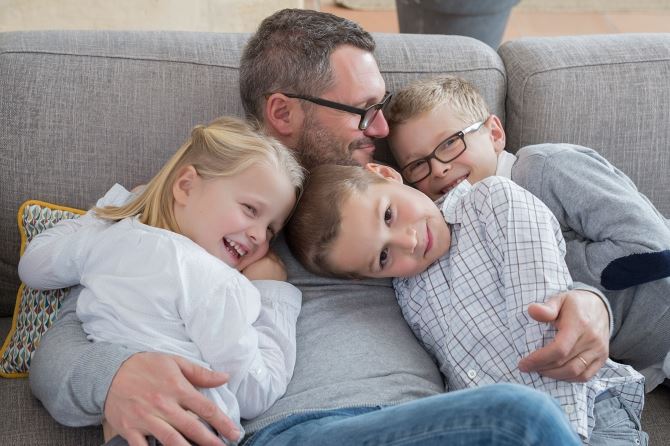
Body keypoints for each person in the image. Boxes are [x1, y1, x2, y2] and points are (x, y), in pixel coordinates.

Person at [29, 9, 610, 446]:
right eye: (362, 110)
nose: (381, 125)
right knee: (522, 419)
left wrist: (589, 305)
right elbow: (64, 336)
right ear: (283, 112)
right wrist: (116, 375)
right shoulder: (205, 202)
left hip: (434, 423)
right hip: (309, 428)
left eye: (380, 105)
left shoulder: (410, 198)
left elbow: (540, 258)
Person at [285, 163, 646, 444]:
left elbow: (549, 338)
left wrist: (566, 435)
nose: (408, 241)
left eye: (389, 215)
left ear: (385, 173)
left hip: (587, 415)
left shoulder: (492, 202)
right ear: (366, 277)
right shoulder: (406, 290)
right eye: (382, 257)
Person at [19, 117, 305, 444]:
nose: (258, 236)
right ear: (185, 186)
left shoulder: (109, 240)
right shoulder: (216, 283)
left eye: (271, 230)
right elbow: (257, 390)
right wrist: (272, 293)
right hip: (189, 427)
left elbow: (34, 266)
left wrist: (114, 210)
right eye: (251, 209)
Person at [384, 74, 670, 391]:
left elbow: (653, 247)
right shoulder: (454, 233)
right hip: (644, 369)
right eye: (418, 164)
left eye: (450, 142)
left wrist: (543, 260)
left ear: (494, 133)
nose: (438, 168)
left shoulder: (543, 167)